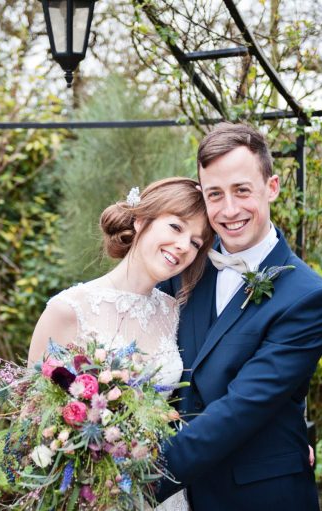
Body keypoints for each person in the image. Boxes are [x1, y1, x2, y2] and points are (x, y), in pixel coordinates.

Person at [155, 122, 322, 511]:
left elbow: (242, 408)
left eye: (242, 190)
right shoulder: (183, 267)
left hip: (258, 495)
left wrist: (135, 477)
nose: (229, 210)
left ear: (271, 187)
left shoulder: (309, 298)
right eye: (215, 195)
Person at [27, 177, 214, 511]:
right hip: (89, 495)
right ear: (141, 220)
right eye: (175, 227)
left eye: (196, 242)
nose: (184, 245)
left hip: (159, 492)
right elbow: (28, 421)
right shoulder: (68, 310)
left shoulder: (176, 314)